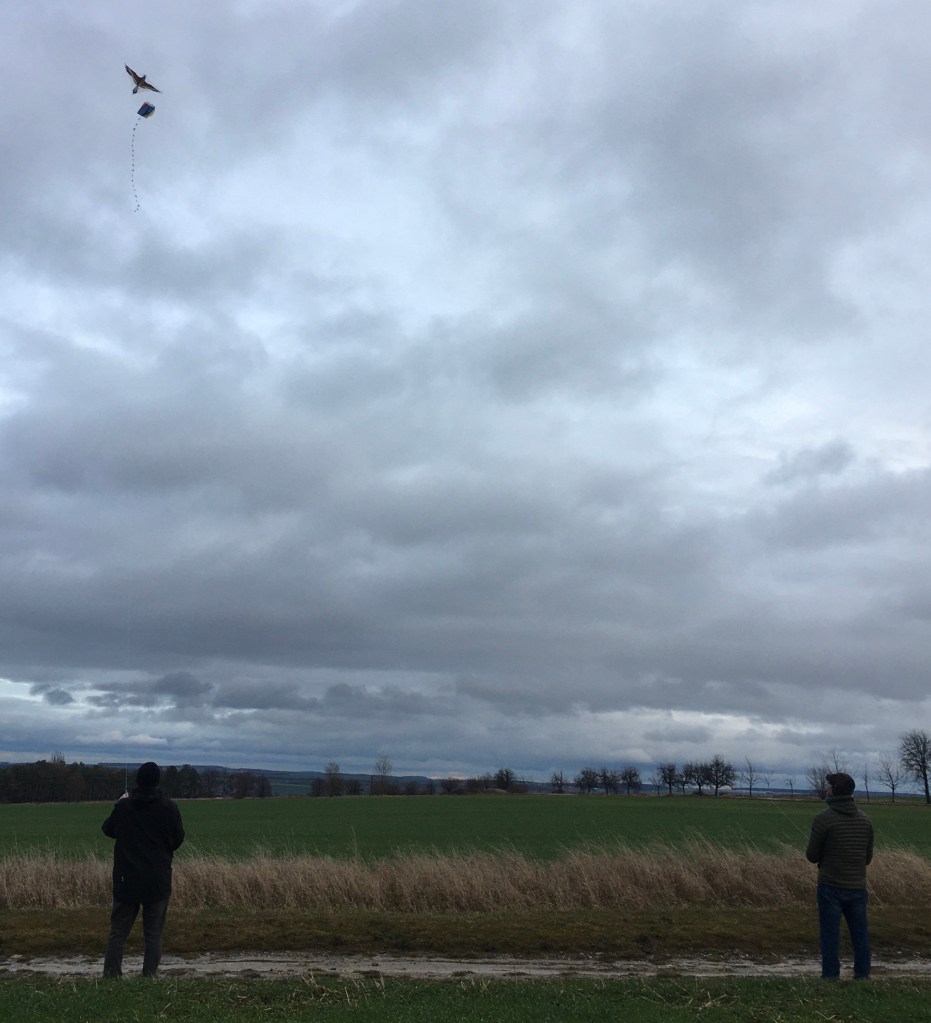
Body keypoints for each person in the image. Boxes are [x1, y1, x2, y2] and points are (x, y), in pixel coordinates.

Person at [102, 761, 185, 978]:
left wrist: (119, 804)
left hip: (126, 878)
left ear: (138, 781)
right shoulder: (169, 807)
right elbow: (178, 839)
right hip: (157, 878)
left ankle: (111, 975)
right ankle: (149, 976)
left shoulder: (124, 807)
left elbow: (108, 829)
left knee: (118, 932)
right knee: (153, 933)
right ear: (157, 781)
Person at [805, 771, 874, 980]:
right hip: (857, 888)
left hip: (830, 887)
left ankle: (830, 977)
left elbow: (812, 855)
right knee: (860, 935)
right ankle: (862, 976)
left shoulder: (823, 819)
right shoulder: (865, 821)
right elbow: (867, 858)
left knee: (829, 935)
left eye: (829, 786)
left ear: (834, 791)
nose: (827, 789)